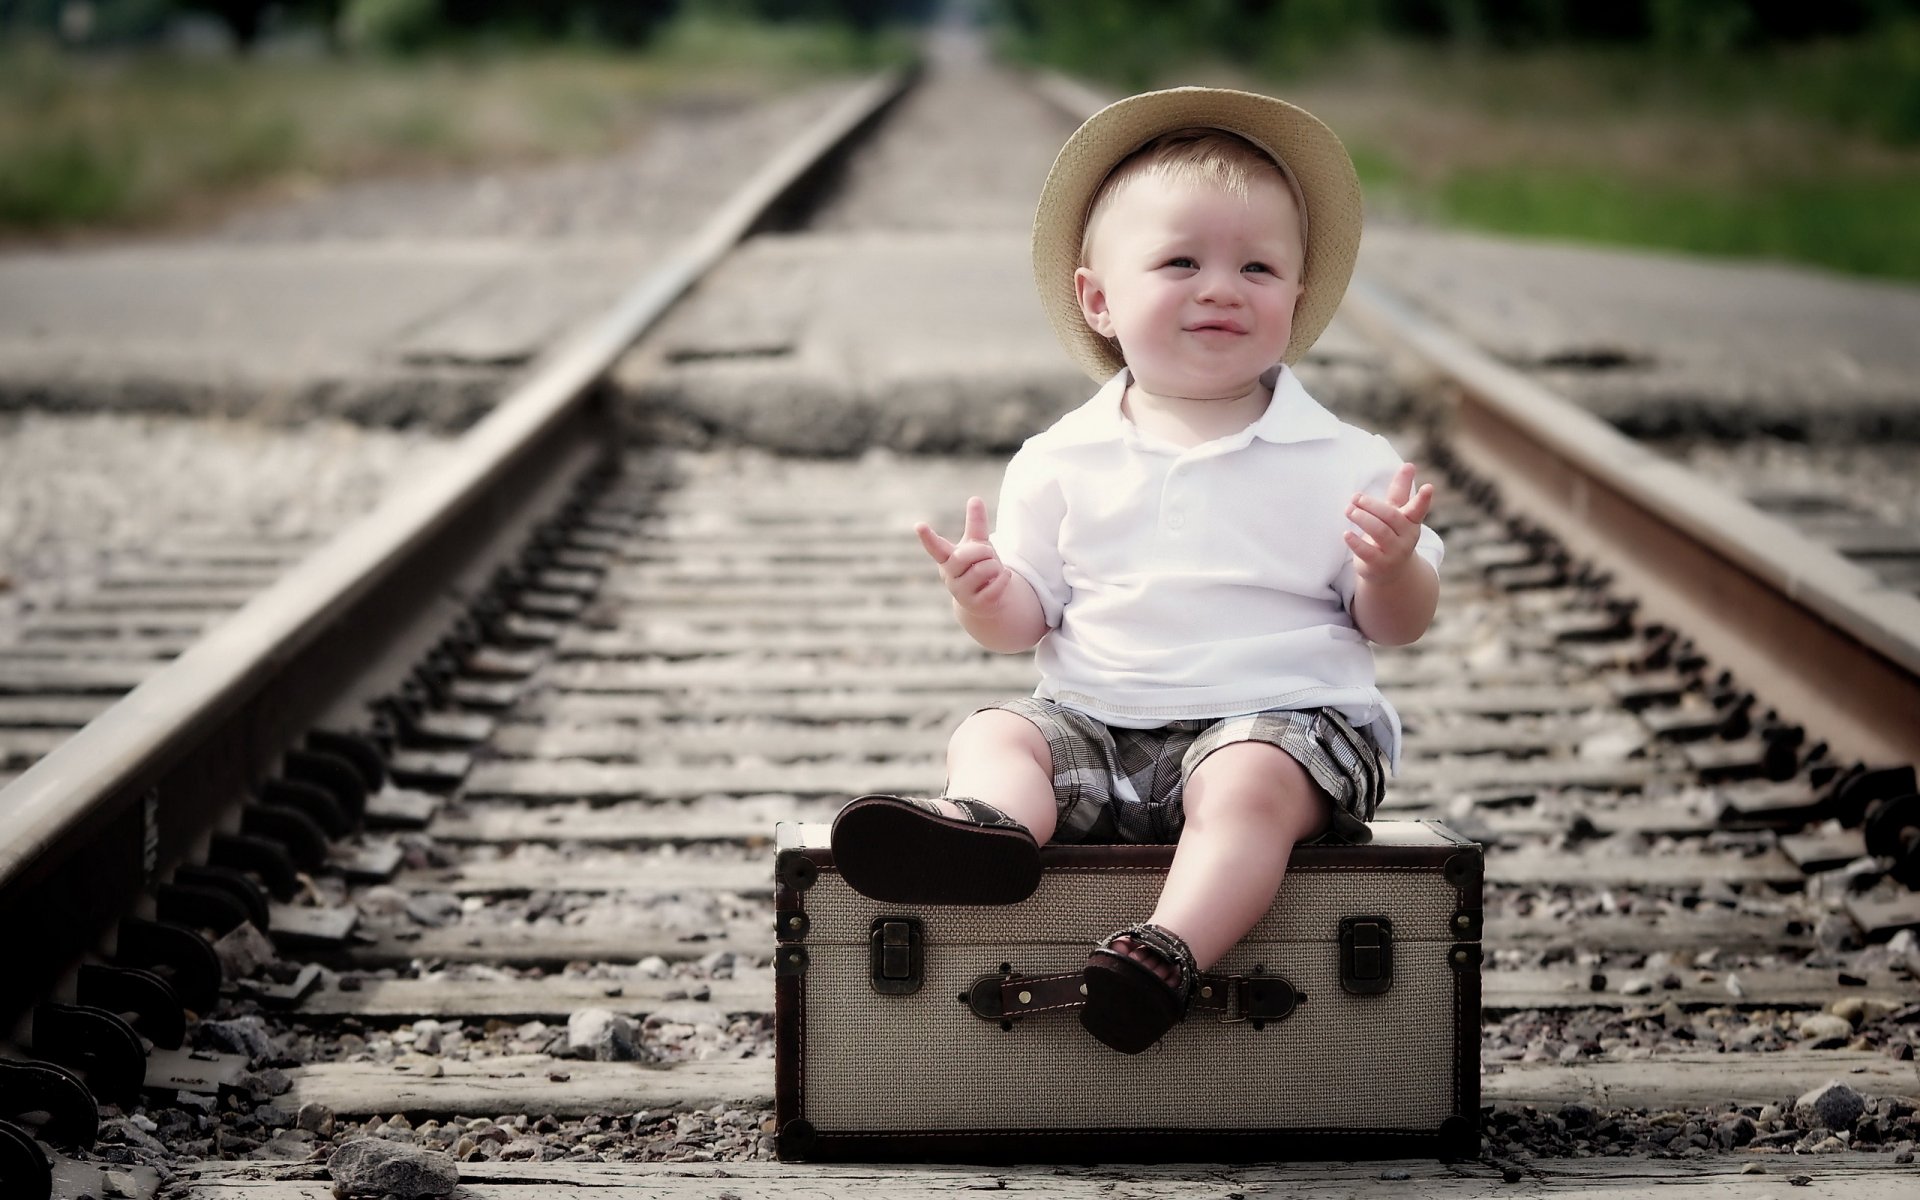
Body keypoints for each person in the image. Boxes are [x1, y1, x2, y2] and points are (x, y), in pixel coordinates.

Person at [830, 87, 1443, 1055]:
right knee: (994, 729)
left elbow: (1394, 624)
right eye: (1180, 262)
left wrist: (1394, 566)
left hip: (1282, 722)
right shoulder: (1060, 458)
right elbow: (1024, 625)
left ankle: (1164, 951)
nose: (1221, 288)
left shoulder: (1345, 460)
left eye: (1258, 266)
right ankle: (991, 830)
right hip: (1100, 726)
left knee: (1243, 784)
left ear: (1296, 293)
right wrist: (988, 596)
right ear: (1098, 299)